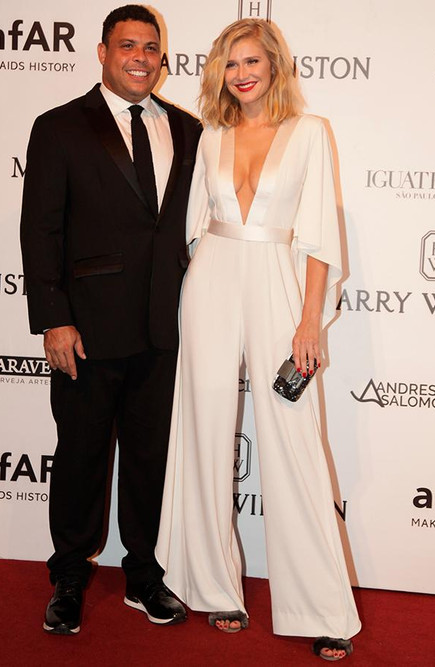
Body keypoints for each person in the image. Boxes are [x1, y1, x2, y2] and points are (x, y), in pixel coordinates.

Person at [153, 18, 360, 661]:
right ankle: (215, 588)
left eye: (251, 61)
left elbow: (319, 236)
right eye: (230, 63)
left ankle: (321, 607)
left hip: (277, 279)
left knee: (294, 440)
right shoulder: (211, 134)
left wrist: (309, 319)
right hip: (212, 277)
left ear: (274, 65)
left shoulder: (309, 132)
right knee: (204, 430)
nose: (241, 74)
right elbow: (194, 228)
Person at [19, 4, 200, 635]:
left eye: (150, 48)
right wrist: (54, 319)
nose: (140, 58)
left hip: (163, 327)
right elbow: (40, 230)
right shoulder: (59, 126)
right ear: (102, 52)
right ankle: (69, 576)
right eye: (128, 46)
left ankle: (144, 576)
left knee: (151, 459)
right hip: (87, 331)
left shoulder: (189, 130)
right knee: (81, 456)